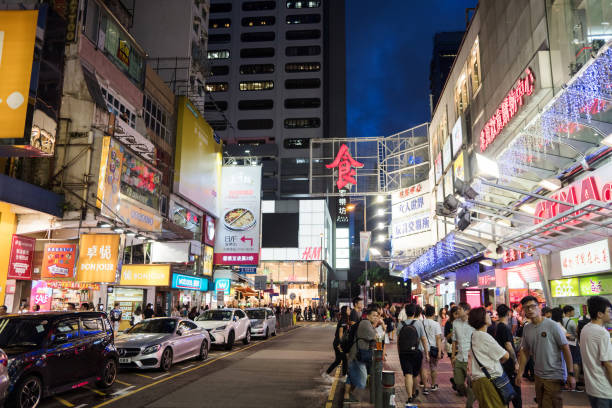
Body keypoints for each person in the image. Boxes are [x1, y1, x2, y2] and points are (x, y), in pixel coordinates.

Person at [516, 296, 575, 408]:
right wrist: (520, 373)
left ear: (539, 307)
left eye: (532, 306)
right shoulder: (527, 328)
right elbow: (525, 351)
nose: (529, 310)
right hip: (538, 375)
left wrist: (571, 374)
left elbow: (566, 349)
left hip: (554, 376)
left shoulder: (553, 326)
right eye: (525, 308)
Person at [469, 306, 510, 408]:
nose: (490, 315)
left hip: (480, 380)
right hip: (488, 381)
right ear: (482, 318)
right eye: (487, 313)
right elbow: (506, 355)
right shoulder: (484, 336)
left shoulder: (474, 335)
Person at [580, 296, 612, 408]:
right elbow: (608, 364)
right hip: (605, 390)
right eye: (609, 311)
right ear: (600, 314)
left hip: (591, 388)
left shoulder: (585, 329)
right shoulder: (603, 333)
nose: (611, 314)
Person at [344, 306, 378, 403]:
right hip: (357, 354)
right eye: (374, 316)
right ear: (368, 316)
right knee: (362, 380)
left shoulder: (367, 323)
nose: (376, 317)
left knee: (351, 377)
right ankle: (350, 396)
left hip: (357, 353)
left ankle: (347, 396)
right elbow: (376, 337)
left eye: (377, 316)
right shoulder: (366, 323)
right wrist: (381, 325)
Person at [397, 303, 429, 403]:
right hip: (416, 352)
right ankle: (415, 391)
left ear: (405, 312)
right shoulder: (418, 323)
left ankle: (409, 396)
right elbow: (423, 339)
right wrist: (427, 353)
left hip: (404, 353)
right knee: (415, 375)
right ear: (415, 312)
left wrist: (399, 353)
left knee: (408, 374)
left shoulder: (400, 324)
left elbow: (398, 341)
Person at [495, 304, 522, 408]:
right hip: (508, 363)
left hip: (502, 362)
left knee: (507, 389)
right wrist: (515, 361)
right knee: (515, 390)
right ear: (508, 313)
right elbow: (508, 345)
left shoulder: (498, 326)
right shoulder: (504, 327)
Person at [451, 302, 475, 408]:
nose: (457, 311)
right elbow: (454, 340)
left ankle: (469, 404)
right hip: (460, 357)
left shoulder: (474, 323)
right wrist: (453, 356)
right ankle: (471, 395)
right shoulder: (455, 323)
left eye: (460, 309)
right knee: (458, 382)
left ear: (467, 311)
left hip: (471, 358)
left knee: (471, 385)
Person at [325, 305, 349, 379]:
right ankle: (344, 376)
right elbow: (340, 333)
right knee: (344, 360)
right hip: (338, 343)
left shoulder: (345, 320)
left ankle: (326, 373)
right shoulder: (343, 321)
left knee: (338, 360)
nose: (349, 311)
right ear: (345, 312)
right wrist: (340, 344)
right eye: (348, 310)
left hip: (337, 342)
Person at [562, 305, 583, 392]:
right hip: (573, 343)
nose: (574, 313)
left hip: (565, 343)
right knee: (576, 361)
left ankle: (568, 380)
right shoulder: (571, 322)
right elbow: (576, 333)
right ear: (568, 312)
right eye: (572, 311)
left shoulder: (561, 320)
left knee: (567, 361)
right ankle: (576, 380)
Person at [423, 304, 443, 392]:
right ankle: (433, 385)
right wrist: (439, 351)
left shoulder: (421, 322)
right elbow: (438, 338)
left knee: (424, 368)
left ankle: (425, 385)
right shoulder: (436, 324)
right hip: (433, 349)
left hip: (424, 348)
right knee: (433, 367)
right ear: (433, 313)